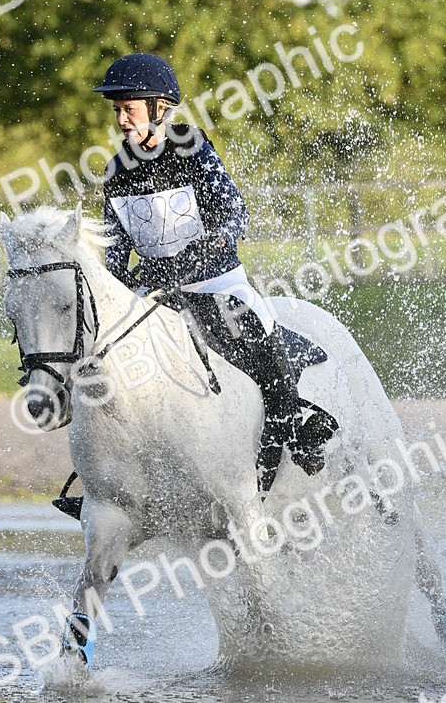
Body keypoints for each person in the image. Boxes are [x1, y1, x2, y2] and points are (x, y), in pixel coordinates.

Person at [95, 52, 337, 494]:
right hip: (155, 296)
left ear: (159, 108)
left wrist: (216, 241)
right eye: (117, 109)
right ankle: (106, 478)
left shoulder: (189, 146)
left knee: (258, 329)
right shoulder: (115, 173)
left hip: (214, 281)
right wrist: (116, 282)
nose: (121, 118)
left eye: (128, 108)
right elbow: (115, 249)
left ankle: (294, 423)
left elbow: (233, 210)